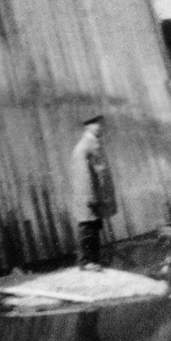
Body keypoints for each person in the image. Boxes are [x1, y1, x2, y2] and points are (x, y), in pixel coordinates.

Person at [70, 114, 117, 269]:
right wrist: (89, 197)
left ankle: (94, 260)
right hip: (88, 196)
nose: (101, 127)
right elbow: (83, 174)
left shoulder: (94, 143)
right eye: (98, 124)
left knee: (95, 227)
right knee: (87, 227)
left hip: (96, 195)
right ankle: (86, 261)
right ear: (89, 126)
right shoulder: (84, 147)